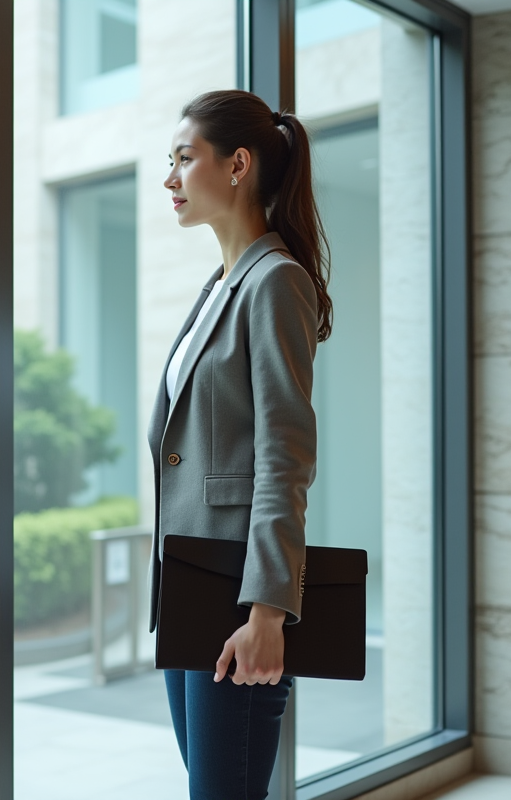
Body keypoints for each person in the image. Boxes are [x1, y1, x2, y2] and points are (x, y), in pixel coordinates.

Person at [147, 89, 332, 799]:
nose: (170, 179)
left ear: (238, 165)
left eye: (184, 159)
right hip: (191, 587)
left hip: (237, 599)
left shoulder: (276, 282)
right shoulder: (219, 285)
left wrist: (266, 613)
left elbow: (284, 456)